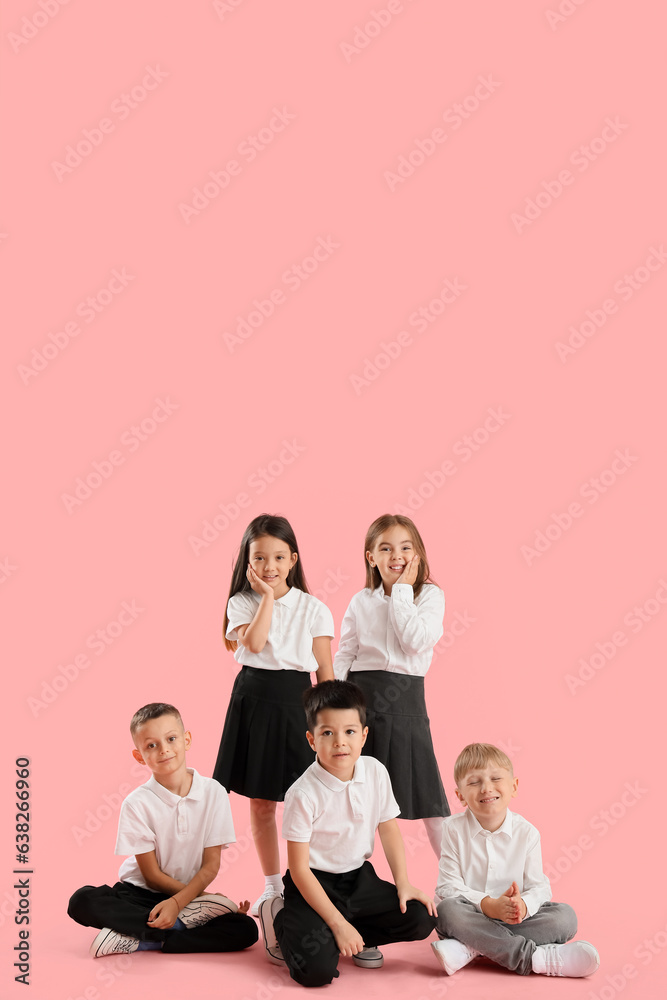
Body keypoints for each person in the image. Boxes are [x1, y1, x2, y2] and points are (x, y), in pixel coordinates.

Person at [258, 679, 437, 987]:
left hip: (357, 881)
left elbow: (388, 828)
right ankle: (280, 919)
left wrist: (403, 883)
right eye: (327, 733)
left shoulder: (375, 771)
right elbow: (299, 869)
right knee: (314, 972)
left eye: (349, 731)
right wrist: (337, 923)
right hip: (312, 884)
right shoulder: (302, 793)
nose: (340, 742)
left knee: (422, 916)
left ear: (364, 735)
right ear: (312, 740)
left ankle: (353, 932)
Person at [212, 514, 334, 915]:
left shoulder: (314, 608)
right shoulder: (242, 602)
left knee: (312, 799)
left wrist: (329, 723)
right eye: (260, 557)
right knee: (262, 802)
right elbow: (257, 641)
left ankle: (315, 882)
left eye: (279, 557)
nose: (270, 566)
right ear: (247, 562)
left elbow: (325, 672)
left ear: (293, 559)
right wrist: (266, 596)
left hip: (299, 702)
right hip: (254, 698)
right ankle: (272, 887)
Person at [67, 703, 258, 957]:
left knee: (246, 929)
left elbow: (211, 866)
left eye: (171, 739)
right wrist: (204, 899)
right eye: (151, 745)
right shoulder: (136, 804)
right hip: (139, 895)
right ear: (139, 756)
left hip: (188, 898)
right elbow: (151, 876)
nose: (164, 749)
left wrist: (189, 902)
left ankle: (143, 940)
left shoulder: (213, 793)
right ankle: (169, 934)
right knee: (82, 900)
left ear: (186, 739)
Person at [333, 514, 449, 858]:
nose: (396, 555)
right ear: (371, 557)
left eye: (404, 547)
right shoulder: (360, 601)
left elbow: (415, 641)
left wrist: (401, 591)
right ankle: (352, 878)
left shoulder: (429, 596)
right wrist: (338, 701)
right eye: (385, 548)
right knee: (359, 798)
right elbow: (345, 652)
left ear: (417, 553)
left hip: (407, 703)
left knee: (429, 799)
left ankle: (456, 884)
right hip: (361, 704)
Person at [432, 742, 600, 978]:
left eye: (495, 779)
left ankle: (471, 947)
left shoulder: (528, 833)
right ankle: (535, 958)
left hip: (514, 921)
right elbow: (448, 887)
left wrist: (522, 906)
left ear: (514, 786)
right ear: (460, 795)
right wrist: (489, 905)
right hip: (468, 916)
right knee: (445, 910)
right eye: (474, 782)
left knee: (565, 917)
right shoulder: (452, 829)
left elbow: (539, 887)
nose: (486, 788)